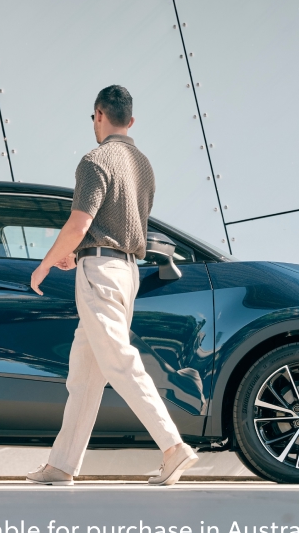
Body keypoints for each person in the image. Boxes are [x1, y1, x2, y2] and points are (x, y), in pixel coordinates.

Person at [25, 85, 198, 487]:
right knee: (85, 377)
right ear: (131, 120)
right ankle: (61, 466)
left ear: (98, 114)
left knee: (119, 361)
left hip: (100, 273)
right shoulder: (144, 165)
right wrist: (79, 251)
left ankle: (173, 447)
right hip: (125, 271)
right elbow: (118, 226)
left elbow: (81, 222)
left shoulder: (95, 160)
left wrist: (47, 263)